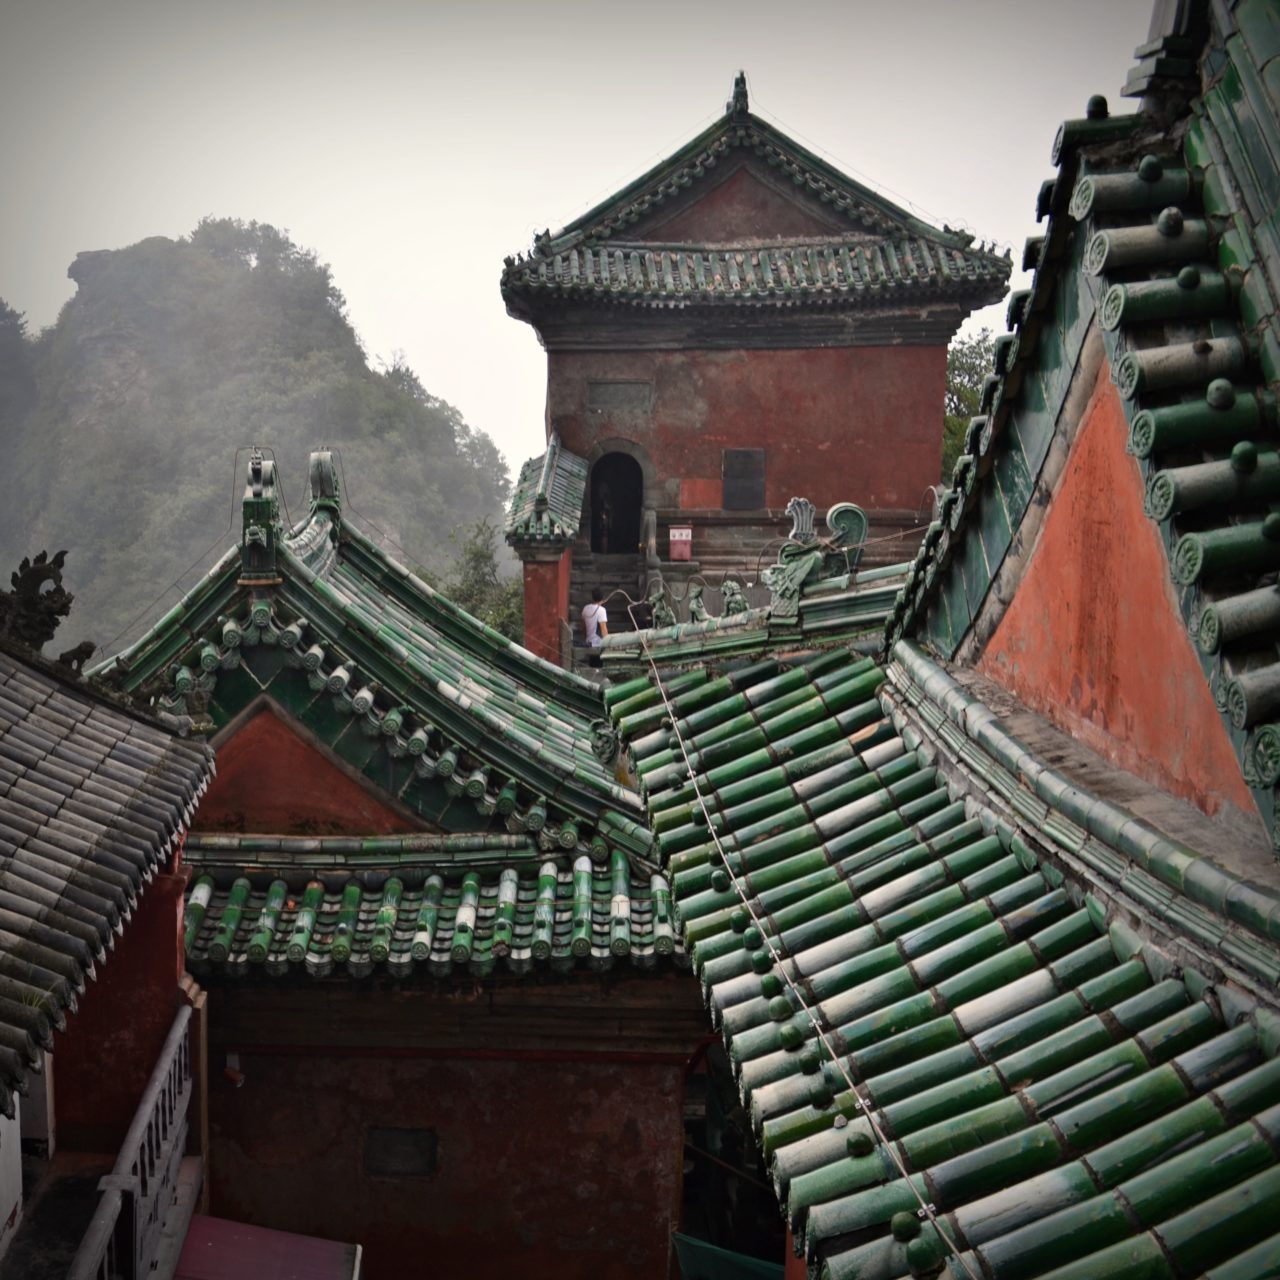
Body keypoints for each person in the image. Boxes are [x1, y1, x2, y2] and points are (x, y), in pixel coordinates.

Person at [581, 587, 608, 667]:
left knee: (592, 664)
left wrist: (586, 639)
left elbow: (583, 627)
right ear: (602, 597)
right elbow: (603, 629)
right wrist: (608, 643)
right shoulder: (601, 610)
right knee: (599, 665)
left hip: (589, 642)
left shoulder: (585, 608)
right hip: (598, 644)